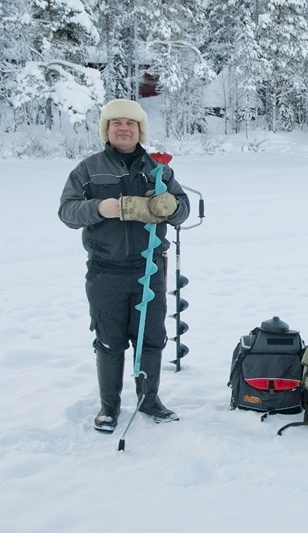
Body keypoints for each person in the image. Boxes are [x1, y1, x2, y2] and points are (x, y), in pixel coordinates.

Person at [58, 99, 190, 433]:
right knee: (109, 340)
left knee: (151, 338)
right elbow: (67, 211)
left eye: (130, 123)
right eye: (116, 123)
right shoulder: (89, 169)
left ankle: (149, 399)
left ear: (139, 129)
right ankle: (109, 406)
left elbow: (183, 210)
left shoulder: (158, 169)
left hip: (150, 270)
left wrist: (172, 206)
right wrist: (99, 208)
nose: (123, 128)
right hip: (106, 271)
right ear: (107, 129)